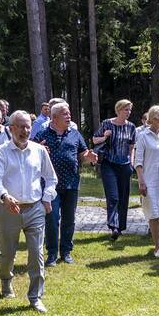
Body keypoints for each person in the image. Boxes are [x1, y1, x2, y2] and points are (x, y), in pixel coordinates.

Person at [0, 110, 56, 313]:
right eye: (20, 126)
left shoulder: (38, 150)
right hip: (9, 209)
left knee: (36, 254)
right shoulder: (0, 152)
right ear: (11, 129)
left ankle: (35, 297)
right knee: (8, 253)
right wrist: (4, 196)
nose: (25, 130)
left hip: (34, 208)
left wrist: (46, 198)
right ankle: (6, 280)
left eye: (27, 126)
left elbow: (51, 178)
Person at [34, 101, 97, 265]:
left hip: (71, 183)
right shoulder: (41, 134)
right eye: (64, 113)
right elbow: (30, 153)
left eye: (69, 113)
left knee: (69, 219)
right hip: (49, 185)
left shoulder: (75, 134)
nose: (69, 116)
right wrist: (38, 150)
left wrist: (88, 157)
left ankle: (66, 251)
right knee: (52, 219)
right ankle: (52, 253)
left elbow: (82, 153)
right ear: (54, 117)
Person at [92, 99, 137, 241]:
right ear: (118, 110)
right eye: (126, 109)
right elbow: (94, 140)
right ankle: (114, 226)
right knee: (113, 196)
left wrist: (132, 163)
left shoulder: (131, 127)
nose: (128, 112)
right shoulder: (106, 123)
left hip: (125, 165)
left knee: (123, 198)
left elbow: (132, 147)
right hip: (109, 164)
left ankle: (121, 227)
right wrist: (105, 136)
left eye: (129, 110)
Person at [134, 105, 159, 258]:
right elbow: (138, 162)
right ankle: (157, 246)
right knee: (154, 213)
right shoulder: (143, 136)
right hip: (149, 178)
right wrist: (141, 181)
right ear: (155, 118)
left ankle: (158, 233)